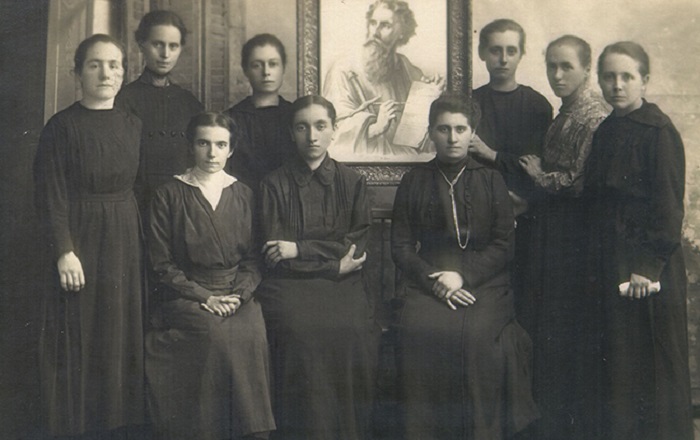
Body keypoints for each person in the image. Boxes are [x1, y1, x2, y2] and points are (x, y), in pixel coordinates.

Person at [391, 94, 538, 439]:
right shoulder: (414, 181)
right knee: (416, 331)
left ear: (472, 132)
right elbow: (399, 247)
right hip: (430, 281)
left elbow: (504, 245)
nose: (452, 137)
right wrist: (434, 281)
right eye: (444, 129)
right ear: (431, 133)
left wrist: (463, 276)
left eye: (460, 129)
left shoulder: (491, 180)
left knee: (474, 338)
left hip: (484, 283)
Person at [33, 34, 145, 438]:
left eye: (114, 65)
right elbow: (51, 195)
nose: (106, 73)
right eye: (95, 64)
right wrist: (64, 251)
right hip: (79, 236)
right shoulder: (61, 127)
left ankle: (116, 423)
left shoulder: (133, 125)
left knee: (118, 329)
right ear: (77, 73)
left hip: (124, 235)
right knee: (79, 330)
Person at [584, 41, 693, 440]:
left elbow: (668, 210)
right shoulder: (608, 129)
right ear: (599, 80)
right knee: (620, 366)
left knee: (652, 367)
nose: (617, 85)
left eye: (627, 76)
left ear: (644, 80)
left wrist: (645, 268)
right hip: (612, 260)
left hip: (648, 269)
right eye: (609, 77)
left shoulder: (658, 133)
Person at [255, 95, 379, 439]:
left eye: (320, 126)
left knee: (354, 329)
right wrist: (329, 264)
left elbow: (356, 245)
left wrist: (300, 248)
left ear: (334, 130)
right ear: (291, 133)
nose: (312, 135)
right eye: (302, 127)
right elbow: (274, 253)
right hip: (289, 285)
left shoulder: (352, 182)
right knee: (299, 332)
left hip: (343, 283)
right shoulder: (272, 184)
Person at [146, 112, 276, 440]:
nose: (212, 152)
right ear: (191, 146)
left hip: (236, 293)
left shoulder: (244, 194)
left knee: (252, 333)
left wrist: (239, 295)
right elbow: (161, 264)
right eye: (203, 143)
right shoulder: (169, 194)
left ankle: (252, 433)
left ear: (231, 150)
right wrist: (206, 297)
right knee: (215, 337)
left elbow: (253, 258)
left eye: (220, 144)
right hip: (186, 295)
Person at [517, 35, 609, 440]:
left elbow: (578, 183)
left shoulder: (593, 117)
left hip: (575, 237)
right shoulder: (564, 112)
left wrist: (537, 175)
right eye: (551, 66)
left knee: (567, 327)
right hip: (553, 232)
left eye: (566, 66)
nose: (557, 75)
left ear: (586, 69)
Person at [469, 19, 552, 333]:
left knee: (524, 302)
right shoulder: (470, 103)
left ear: (521, 55)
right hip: (480, 215)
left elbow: (536, 166)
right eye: (495, 50)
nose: (502, 59)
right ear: (481, 53)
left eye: (511, 51)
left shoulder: (537, 106)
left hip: (526, 214)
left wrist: (492, 155)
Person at [323, 0, 442, 158]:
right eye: (373, 23)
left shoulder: (406, 68)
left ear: (402, 32)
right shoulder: (343, 69)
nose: (375, 32)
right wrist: (376, 128)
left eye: (385, 25)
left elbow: (420, 134)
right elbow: (332, 130)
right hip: (361, 160)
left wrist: (431, 95)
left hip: (405, 160)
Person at [116, 10, 204, 210]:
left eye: (173, 46)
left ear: (180, 49)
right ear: (141, 45)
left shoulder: (189, 102)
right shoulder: (124, 100)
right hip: (139, 203)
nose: (165, 54)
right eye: (158, 44)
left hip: (183, 203)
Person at [224, 34, 296, 188]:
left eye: (273, 64)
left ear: (283, 68)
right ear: (245, 70)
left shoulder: (295, 116)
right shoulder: (230, 119)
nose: (266, 72)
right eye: (257, 65)